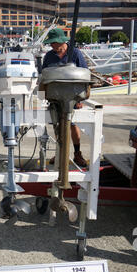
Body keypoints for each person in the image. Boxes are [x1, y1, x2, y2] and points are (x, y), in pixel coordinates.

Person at [41, 27, 88, 168]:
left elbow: (85, 75)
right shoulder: (49, 56)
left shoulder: (76, 53)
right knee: (57, 124)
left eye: (56, 44)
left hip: (73, 96)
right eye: (52, 44)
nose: (54, 47)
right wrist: (43, 96)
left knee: (72, 124)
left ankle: (77, 152)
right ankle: (60, 150)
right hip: (55, 97)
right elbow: (43, 77)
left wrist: (80, 100)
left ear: (62, 41)